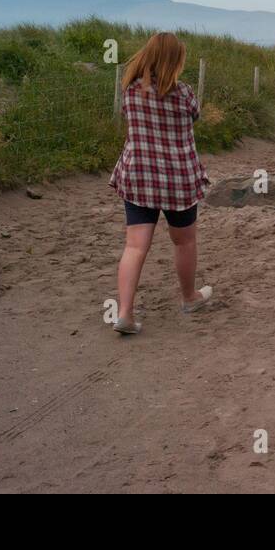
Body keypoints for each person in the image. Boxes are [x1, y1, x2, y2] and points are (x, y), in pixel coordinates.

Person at [108, 32, 212, 335]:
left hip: (139, 174)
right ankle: (189, 298)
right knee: (184, 241)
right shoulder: (184, 94)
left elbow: (127, 115)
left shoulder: (130, 90)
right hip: (177, 178)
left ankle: (125, 313)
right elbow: (195, 117)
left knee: (135, 245)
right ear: (176, 60)